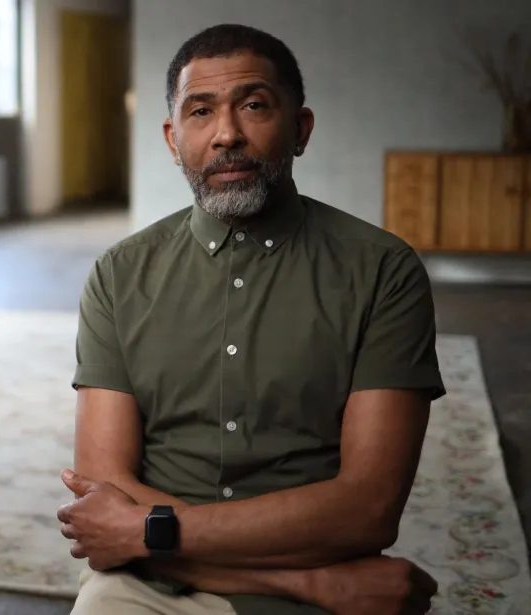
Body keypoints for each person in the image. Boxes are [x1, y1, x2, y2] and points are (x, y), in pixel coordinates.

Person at [55, 23, 445, 615]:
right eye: (201, 111)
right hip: (163, 583)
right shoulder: (119, 275)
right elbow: (102, 496)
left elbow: (368, 509)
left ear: (301, 129)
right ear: (172, 137)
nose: (226, 135)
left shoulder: (383, 272)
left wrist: (147, 530)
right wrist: (313, 583)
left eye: (255, 106)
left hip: (283, 559)